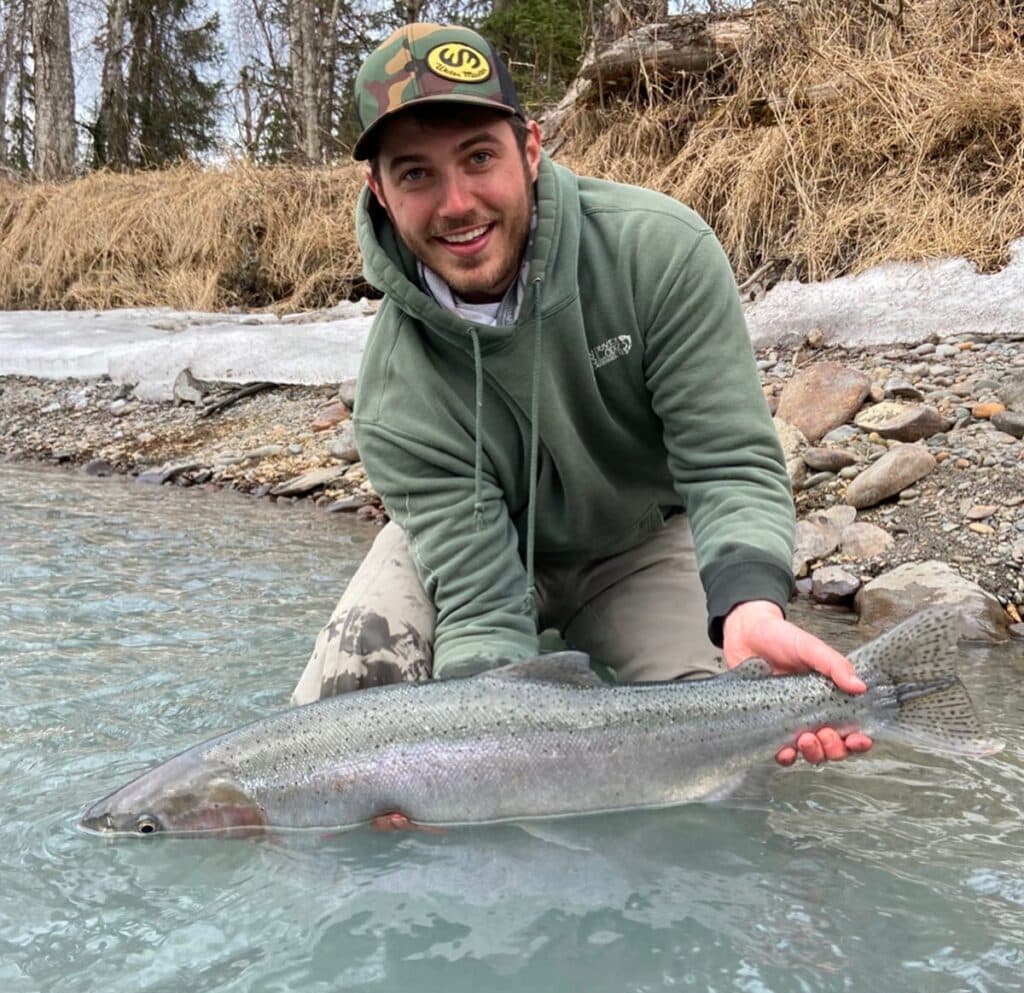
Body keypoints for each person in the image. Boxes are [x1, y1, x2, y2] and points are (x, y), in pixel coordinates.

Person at [292, 23, 872, 784]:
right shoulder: (395, 390)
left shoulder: (657, 252)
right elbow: (480, 602)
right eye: (416, 175)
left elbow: (728, 461)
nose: (457, 203)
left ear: (530, 148)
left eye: (478, 158)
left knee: (729, 754)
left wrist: (750, 606)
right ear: (380, 191)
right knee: (339, 741)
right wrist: (448, 776)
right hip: (480, 559)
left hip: (644, 543)